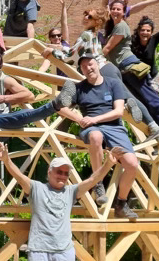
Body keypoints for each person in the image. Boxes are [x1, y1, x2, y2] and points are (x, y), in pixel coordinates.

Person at [57, 52, 146, 220]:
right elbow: (60, 106)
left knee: (132, 164)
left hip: (113, 127)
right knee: (96, 136)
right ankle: (98, 184)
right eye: (83, 67)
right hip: (91, 129)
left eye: (90, 64)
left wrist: (94, 119)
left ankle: (121, 203)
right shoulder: (79, 88)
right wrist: (79, 118)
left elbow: (118, 111)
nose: (88, 68)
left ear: (97, 64)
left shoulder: (113, 84)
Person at [60, 5, 159, 142]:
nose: (85, 17)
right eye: (85, 14)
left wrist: (51, 52)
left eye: (90, 16)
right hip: (109, 68)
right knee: (127, 97)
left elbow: (69, 55)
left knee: (126, 97)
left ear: (97, 22)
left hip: (103, 70)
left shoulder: (86, 35)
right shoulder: (94, 35)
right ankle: (140, 117)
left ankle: (153, 127)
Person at [103, 0, 159, 140]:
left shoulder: (121, 26)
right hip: (124, 71)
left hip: (131, 67)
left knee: (151, 99)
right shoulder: (114, 28)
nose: (115, 11)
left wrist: (94, 61)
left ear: (123, 12)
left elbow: (107, 49)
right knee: (143, 103)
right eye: (113, 9)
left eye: (118, 9)